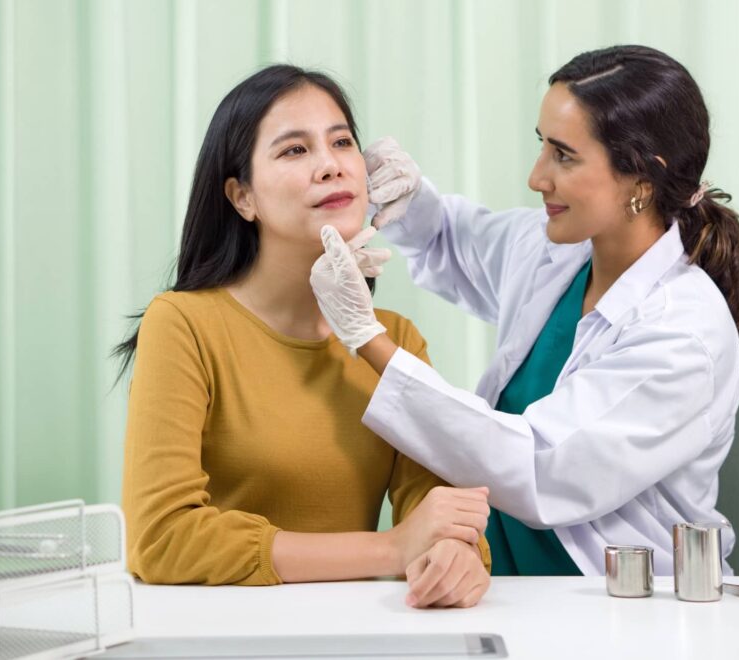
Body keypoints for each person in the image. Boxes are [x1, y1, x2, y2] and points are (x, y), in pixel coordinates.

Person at [309, 45, 739, 577]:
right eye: (541, 146)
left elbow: (540, 468)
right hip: (495, 578)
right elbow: (455, 241)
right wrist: (407, 197)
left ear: (642, 179)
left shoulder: (683, 332)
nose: (537, 176)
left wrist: (367, 337)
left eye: (563, 155)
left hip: (616, 600)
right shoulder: (561, 250)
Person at [115, 64, 491, 608]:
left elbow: (435, 508)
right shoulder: (183, 324)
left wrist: (455, 558)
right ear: (242, 198)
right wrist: (391, 549)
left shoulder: (394, 340)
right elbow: (162, 539)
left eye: (342, 142)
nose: (331, 166)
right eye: (295, 150)